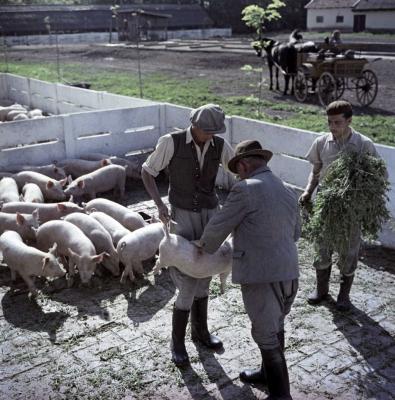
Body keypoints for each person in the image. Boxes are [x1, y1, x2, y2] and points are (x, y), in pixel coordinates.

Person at [195, 140, 300, 400]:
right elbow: (296, 233)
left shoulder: (246, 189)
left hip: (261, 275)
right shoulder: (286, 189)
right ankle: (266, 374)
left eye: (238, 171)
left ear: (243, 164)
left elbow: (219, 225)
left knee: (265, 333)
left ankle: (281, 395)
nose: (238, 176)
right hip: (289, 272)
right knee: (275, 326)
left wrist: (203, 246)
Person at [141, 103, 235, 367]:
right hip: (181, 215)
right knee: (186, 279)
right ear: (194, 125)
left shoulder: (219, 145)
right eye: (206, 131)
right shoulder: (171, 142)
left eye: (213, 132)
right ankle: (178, 342)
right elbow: (147, 172)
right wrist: (159, 204)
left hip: (210, 214)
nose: (209, 136)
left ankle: (201, 332)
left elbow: (237, 171)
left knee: (206, 270)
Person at [299, 100, 383, 311]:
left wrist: (362, 198)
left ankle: (344, 296)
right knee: (322, 247)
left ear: (349, 121)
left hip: (351, 208)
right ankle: (321, 290)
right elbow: (316, 170)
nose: (332, 127)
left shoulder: (363, 144)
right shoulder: (321, 142)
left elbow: (378, 175)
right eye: (329, 122)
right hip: (326, 204)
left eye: (337, 122)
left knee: (349, 250)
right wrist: (308, 191)